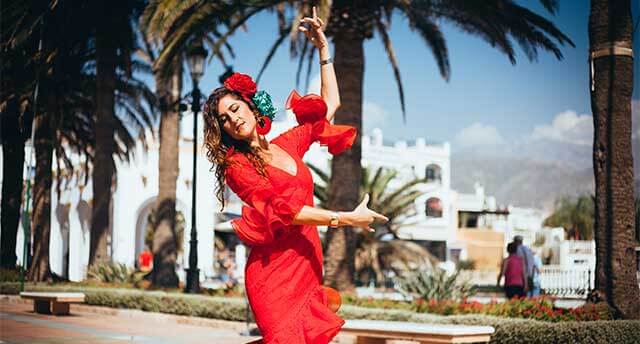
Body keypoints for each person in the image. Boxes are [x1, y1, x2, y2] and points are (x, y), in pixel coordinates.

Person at [202, 7, 388, 344]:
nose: (232, 119)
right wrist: (345, 219)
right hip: (273, 275)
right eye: (224, 120)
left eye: (234, 109)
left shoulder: (288, 144)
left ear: (250, 106)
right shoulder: (236, 167)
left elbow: (329, 107)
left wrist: (323, 50)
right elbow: (286, 212)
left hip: (307, 263)